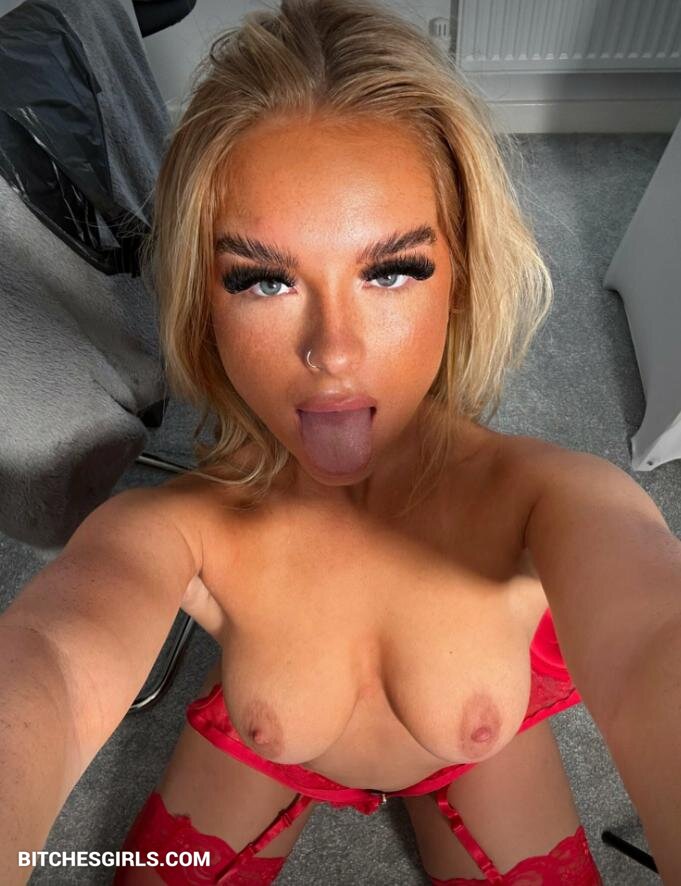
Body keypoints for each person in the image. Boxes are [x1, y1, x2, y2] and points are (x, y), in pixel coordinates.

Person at [5, 0, 676, 883]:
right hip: (265, 752)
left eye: (389, 272)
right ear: (203, 300)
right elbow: (51, 663)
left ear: (461, 279)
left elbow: (654, 640)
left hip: (480, 753)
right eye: (263, 281)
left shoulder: (554, 501)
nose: (333, 351)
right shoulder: (177, 529)